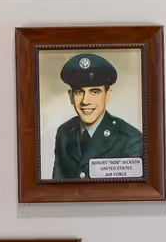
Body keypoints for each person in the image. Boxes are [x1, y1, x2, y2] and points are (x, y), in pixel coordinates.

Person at [50, 51, 146, 179]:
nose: (85, 101)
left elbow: (130, 194)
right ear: (71, 97)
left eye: (94, 92)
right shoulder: (64, 133)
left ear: (107, 96)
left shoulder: (130, 139)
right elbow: (57, 190)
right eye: (79, 92)